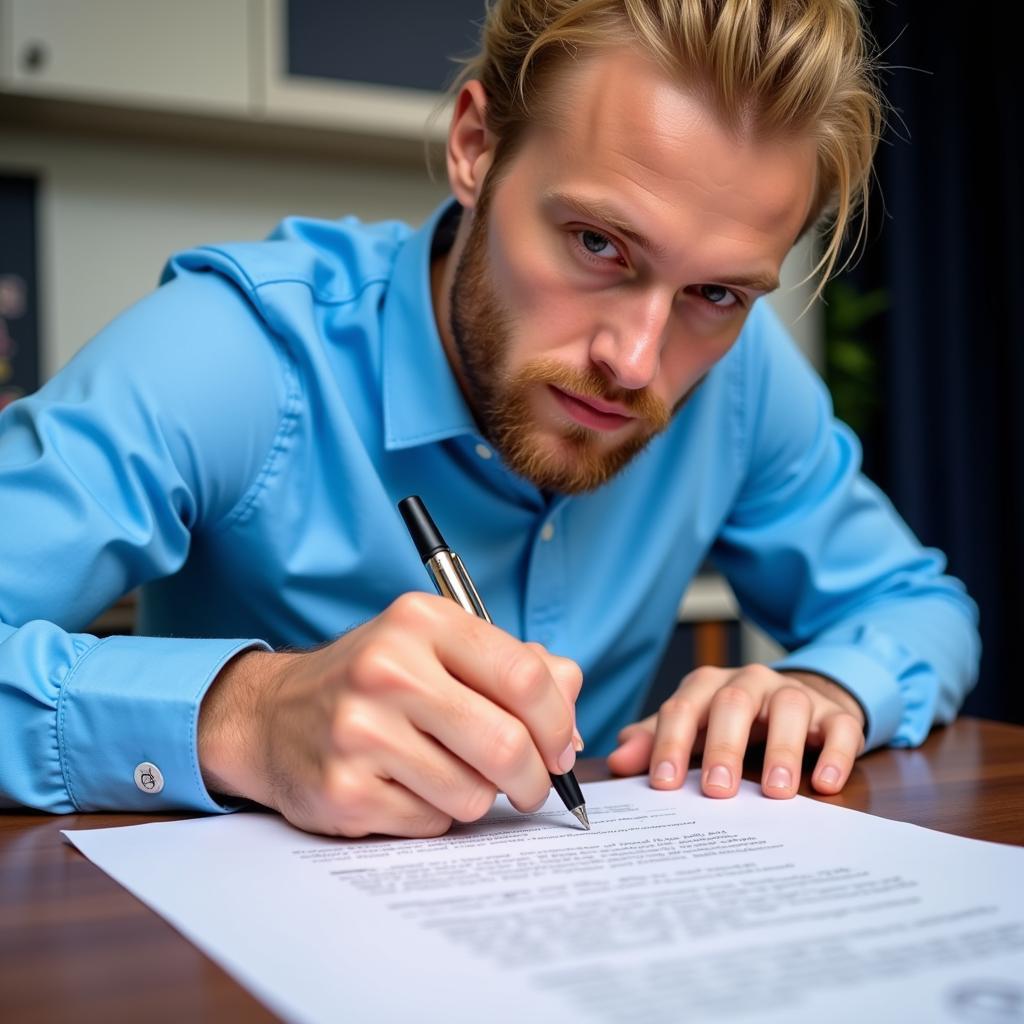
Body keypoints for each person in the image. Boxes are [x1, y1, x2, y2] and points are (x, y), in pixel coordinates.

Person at [0, 0, 978, 837]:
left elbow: (917, 607)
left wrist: (827, 689)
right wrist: (246, 720)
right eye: (597, 242)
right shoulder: (233, 355)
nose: (635, 363)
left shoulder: (743, 379)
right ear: (475, 146)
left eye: (716, 294)